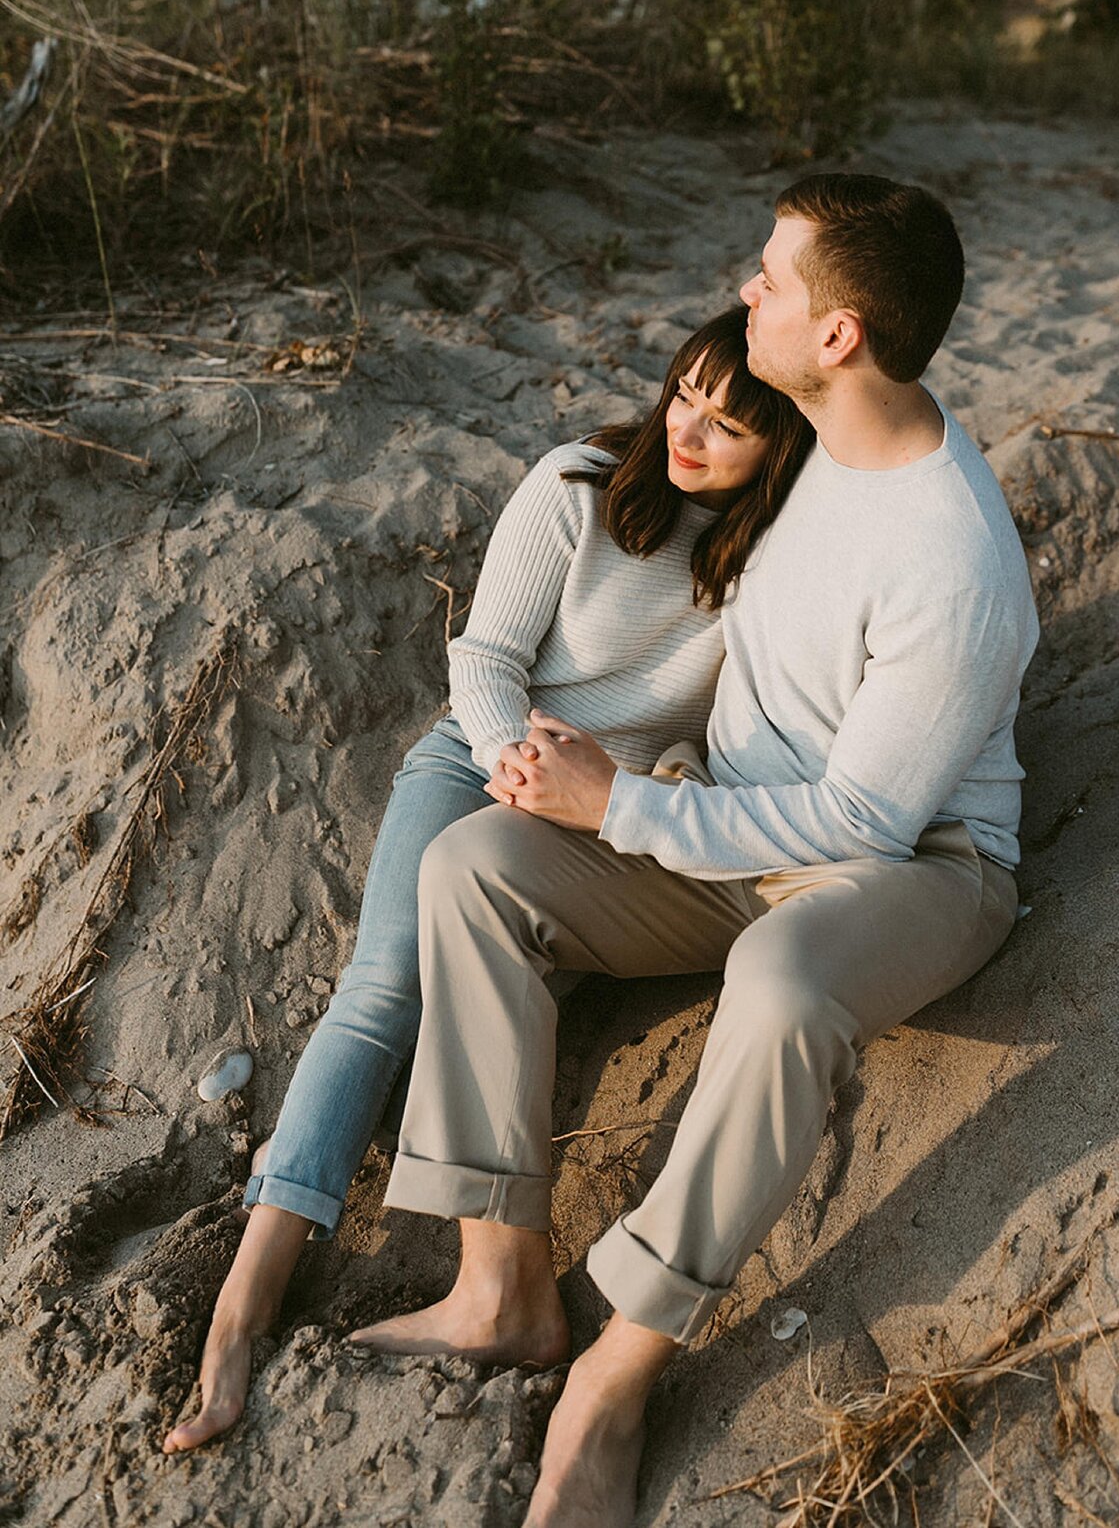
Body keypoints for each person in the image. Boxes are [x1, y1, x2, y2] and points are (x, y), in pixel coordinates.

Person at [348, 172, 1040, 1528]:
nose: (746, 288)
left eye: (773, 278)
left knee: (782, 975)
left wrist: (624, 807)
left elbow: (860, 826)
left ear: (837, 337)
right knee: (471, 868)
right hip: (727, 812)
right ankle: (503, 1286)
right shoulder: (821, 445)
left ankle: (621, 1360)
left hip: (914, 869)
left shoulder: (957, 562)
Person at [163, 307, 811, 1453]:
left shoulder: (777, 559)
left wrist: (629, 788)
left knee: (501, 954)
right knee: (382, 989)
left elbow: (729, 727)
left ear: (782, 447)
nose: (689, 433)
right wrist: (519, 765)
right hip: (482, 757)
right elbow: (485, 659)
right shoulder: (579, 484)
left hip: (626, 802)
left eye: (727, 426)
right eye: (685, 398)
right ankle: (243, 1303)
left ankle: (498, 1288)